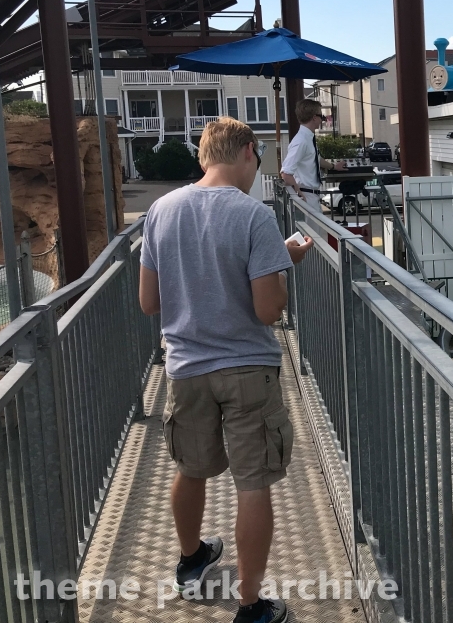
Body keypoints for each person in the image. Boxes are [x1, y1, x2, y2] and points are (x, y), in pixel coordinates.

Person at [139, 117, 312, 623]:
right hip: (247, 369)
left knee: (190, 469)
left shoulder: (161, 210)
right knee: (252, 482)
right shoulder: (253, 215)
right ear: (247, 154)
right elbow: (267, 310)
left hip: (186, 367)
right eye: (257, 161)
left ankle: (192, 558)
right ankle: (251, 606)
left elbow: (150, 302)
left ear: (202, 157)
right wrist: (282, 266)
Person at [279, 98, 344, 199]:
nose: (322, 120)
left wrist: (334, 167)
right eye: (321, 116)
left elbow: (316, 158)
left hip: (311, 194)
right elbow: (286, 173)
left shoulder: (307, 139)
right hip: (307, 195)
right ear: (314, 118)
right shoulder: (301, 141)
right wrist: (299, 195)